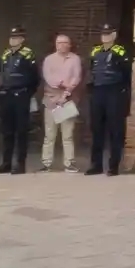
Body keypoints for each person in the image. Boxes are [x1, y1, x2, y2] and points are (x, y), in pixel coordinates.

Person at [86, 23, 132, 176]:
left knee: (115, 130)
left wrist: (121, 91)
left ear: (114, 35)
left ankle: (113, 165)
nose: (105, 36)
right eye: (103, 34)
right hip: (98, 91)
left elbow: (126, 73)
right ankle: (96, 164)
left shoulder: (120, 51)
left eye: (108, 34)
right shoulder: (95, 51)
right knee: (97, 129)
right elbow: (92, 70)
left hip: (114, 91)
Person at [0, 26, 39, 175]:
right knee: (7, 131)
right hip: (7, 95)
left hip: (21, 95)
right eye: (11, 37)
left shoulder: (28, 54)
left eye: (16, 37)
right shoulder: (6, 54)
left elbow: (35, 76)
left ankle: (20, 163)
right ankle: (6, 162)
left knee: (21, 131)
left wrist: (27, 92)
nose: (13, 40)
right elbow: (3, 73)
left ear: (22, 39)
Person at [41, 33, 82, 174]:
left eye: (65, 42)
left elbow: (76, 77)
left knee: (68, 134)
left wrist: (67, 91)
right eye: (59, 42)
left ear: (70, 45)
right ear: (55, 44)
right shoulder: (49, 59)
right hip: (51, 99)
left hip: (67, 99)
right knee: (49, 134)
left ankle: (69, 163)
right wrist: (62, 83)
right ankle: (46, 163)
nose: (62, 45)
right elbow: (48, 77)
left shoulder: (75, 59)